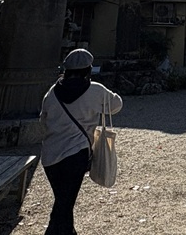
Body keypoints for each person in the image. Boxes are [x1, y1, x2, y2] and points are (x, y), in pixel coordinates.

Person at [39, 48, 123, 235]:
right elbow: (117, 104)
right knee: (64, 202)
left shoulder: (52, 93)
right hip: (75, 154)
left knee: (63, 199)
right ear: (88, 69)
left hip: (50, 155)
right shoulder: (95, 90)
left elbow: (43, 122)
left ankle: (68, 232)